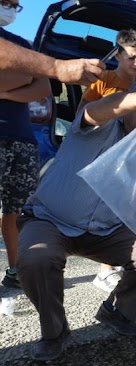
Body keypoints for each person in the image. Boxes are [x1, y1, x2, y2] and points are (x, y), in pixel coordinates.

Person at [16, 78, 136, 362]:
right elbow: (97, 110)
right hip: (49, 220)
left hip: (104, 231)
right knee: (36, 259)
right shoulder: (94, 127)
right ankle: (55, 332)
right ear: (129, 103)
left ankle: (117, 311)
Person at [73, 28, 136, 293]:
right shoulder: (103, 80)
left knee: (120, 210)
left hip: (127, 158)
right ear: (118, 54)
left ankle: (106, 270)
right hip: (97, 153)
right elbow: (82, 113)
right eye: (132, 58)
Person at [0, 1, 51, 288]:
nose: (10, 9)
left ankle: (15, 271)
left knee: (16, 210)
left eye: (15, 6)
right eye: (6, 3)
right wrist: (22, 77)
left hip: (23, 138)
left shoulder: (22, 44)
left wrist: (5, 89)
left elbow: (42, 86)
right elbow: (28, 77)